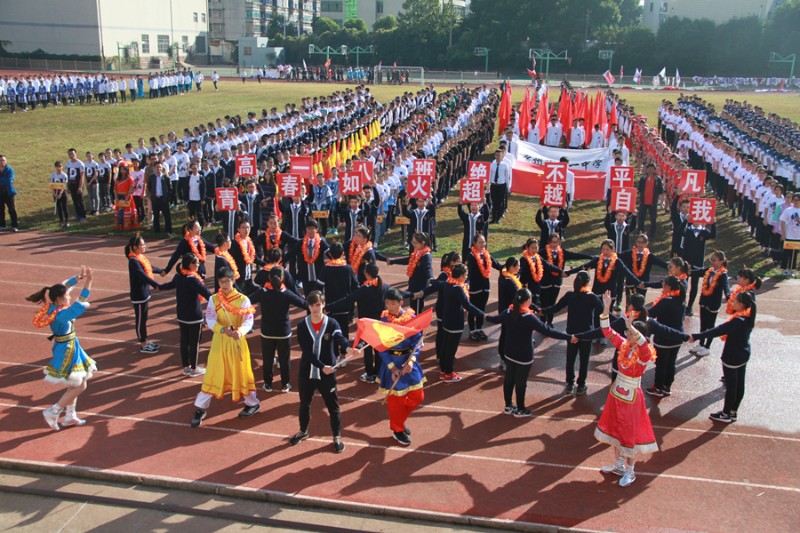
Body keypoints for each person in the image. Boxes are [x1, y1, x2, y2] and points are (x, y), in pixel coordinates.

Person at [595, 291, 659, 487]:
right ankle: (618, 465)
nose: (626, 335)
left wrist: (631, 326)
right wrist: (606, 307)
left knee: (629, 434)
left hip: (632, 398)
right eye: (627, 333)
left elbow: (643, 345)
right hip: (617, 395)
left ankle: (630, 471)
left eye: (630, 334)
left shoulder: (643, 355)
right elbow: (606, 331)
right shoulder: (623, 345)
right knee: (616, 429)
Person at [485, 288, 577, 417]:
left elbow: (495, 319)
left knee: (509, 379)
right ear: (528, 301)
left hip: (509, 352)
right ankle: (520, 409)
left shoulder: (508, 311)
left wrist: (485, 316)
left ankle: (508, 406)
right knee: (521, 382)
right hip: (524, 355)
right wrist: (568, 337)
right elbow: (548, 331)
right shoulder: (529, 318)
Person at [190, 266, 261, 427]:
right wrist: (221, 329)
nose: (224, 285)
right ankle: (201, 407)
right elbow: (210, 319)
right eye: (221, 282)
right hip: (220, 342)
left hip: (237, 342)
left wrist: (240, 331)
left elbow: (248, 320)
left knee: (241, 373)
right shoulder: (214, 299)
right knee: (213, 373)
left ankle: (252, 403)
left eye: (227, 281)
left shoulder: (243, 299)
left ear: (233, 280)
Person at [289, 291, 358, 454]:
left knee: (333, 406)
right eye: (312, 305)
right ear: (308, 306)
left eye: (318, 305)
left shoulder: (332, 323)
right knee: (304, 404)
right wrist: (322, 366)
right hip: (308, 371)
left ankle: (336, 436)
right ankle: (303, 431)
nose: (315, 308)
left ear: (323, 304)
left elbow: (339, 337)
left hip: (328, 374)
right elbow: (307, 352)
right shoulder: (302, 325)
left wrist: (347, 348)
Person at [29, 267, 95, 430]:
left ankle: (69, 416)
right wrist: (89, 281)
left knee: (78, 381)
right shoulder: (62, 315)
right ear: (59, 299)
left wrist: (77, 278)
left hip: (71, 346)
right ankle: (54, 410)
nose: (69, 296)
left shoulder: (53, 307)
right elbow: (81, 300)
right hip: (67, 350)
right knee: (80, 385)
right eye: (66, 296)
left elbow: (64, 285)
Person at [689, 291, 757, 423]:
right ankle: (733, 412)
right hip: (743, 354)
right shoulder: (748, 316)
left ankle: (726, 413)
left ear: (742, 305)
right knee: (739, 384)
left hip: (732, 356)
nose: (732, 302)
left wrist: (696, 336)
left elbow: (717, 330)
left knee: (732, 386)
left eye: (735, 301)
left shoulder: (737, 321)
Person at [539, 271, 604, 395]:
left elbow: (556, 307)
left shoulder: (570, 295)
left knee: (570, 359)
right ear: (588, 282)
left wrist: (543, 311)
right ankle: (581, 385)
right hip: (586, 334)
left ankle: (569, 383)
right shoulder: (592, 297)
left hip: (571, 334)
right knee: (584, 360)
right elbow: (603, 313)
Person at [377, 288, 426, 446]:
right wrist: (392, 368)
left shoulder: (411, 318)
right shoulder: (383, 322)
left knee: (418, 396)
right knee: (395, 402)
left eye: (393, 303)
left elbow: (417, 341)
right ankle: (397, 429)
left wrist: (411, 362)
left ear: (401, 303)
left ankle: (399, 420)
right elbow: (381, 347)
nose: (390, 307)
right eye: (387, 303)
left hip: (408, 362)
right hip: (391, 365)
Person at [249, 266, 308, 393]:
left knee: (268, 358)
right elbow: (304, 304)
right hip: (283, 332)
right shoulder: (286, 293)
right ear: (282, 278)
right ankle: (285, 384)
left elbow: (247, 300)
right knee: (284, 359)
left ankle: (268, 384)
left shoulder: (262, 292)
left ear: (269, 277)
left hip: (267, 332)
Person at [158, 253, 213, 376]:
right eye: (196, 263)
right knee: (194, 343)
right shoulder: (193, 280)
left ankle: (186, 366)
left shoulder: (179, 277)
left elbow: (169, 285)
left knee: (184, 341)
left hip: (182, 315)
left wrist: (159, 287)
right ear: (190, 265)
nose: (198, 265)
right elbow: (208, 294)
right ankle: (194, 368)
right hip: (194, 316)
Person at [435, 263, 485, 382]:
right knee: (451, 349)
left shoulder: (447, 284)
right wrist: (482, 314)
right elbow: (467, 305)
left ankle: (443, 371)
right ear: (461, 276)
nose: (467, 276)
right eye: (466, 274)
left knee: (445, 347)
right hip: (455, 323)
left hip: (447, 321)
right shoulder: (458, 289)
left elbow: (437, 284)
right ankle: (448, 373)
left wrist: (431, 281)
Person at [644, 276, 686, 398]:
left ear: (668, 287)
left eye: (664, 283)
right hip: (677, 336)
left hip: (664, 337)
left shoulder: (666, 301)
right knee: (671, 362)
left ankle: (657, 387)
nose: (662, 285)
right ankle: (667, 386)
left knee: (661, 363)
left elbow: (651, 314)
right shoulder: (681, 299)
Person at [126, 235, 166, 354]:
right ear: (134, 247)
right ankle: (143, 344)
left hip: (145, 294)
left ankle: (146, 341)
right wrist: (155, 284)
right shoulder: (133, 261)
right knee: (140, 321)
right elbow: (141, 275)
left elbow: (149, 267)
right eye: (141, 245)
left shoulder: (140, 257)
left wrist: (160, 271)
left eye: (144, 244)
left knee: (144, 319)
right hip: (138, 295)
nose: (144, 246)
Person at [689, 250, 730, 358]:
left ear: (721, 261)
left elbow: (726, 287)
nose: (712, 262)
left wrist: (729, 296)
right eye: (711, 260)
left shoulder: (723, 274)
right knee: (703, 324)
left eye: (714, 260)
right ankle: (701, 343)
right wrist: (686, 270)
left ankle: (707, 347)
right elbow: (697, 272)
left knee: (710, 326)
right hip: (704, 301)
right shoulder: (709, 270)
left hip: (713, 303)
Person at [385, 232, 433, 315]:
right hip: (413, 285)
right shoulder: (417, 252)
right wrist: (393, 261)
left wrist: (431, 280)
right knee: (412, 309)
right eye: (412, 242)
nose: (413, 244)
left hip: (419, 288)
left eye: (415, 243)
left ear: (423, 243)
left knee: (417, 311)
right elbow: (408, 260)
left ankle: (417, 327)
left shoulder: (426, 255)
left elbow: (428, 269)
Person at [466, 234, 502, 341]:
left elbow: (497, 265)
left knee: (481, 309)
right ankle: (472, 330)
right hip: (474, 288)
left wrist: (508, 268)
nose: (483, 244)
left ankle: (479, 329)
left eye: (484, 242)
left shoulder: (486, 254)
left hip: (485, 287)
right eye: (480, 242)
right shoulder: (471, 256)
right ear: (475, 243)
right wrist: (468, 283)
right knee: (473, 310)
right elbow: (470, 273)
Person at [636, 163, 664, 240]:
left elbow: (661, 190)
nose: (650, 170)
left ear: (654, 169)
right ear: (647, 169)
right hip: (643, 201)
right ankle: (640, 232)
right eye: (649, 168)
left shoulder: (658, 179)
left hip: (653, 202)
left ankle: (652, 233)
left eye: (652, 168)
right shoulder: (643, 178)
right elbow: (640, 188)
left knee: (653, 218)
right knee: (641, 217)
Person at [147, 163, 172, 235]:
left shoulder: (166, 178)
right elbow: (149, 187)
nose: (158, 169)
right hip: (155, 199)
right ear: (154, 168)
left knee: (166, 215)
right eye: (157, 167)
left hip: (163, 199)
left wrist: (167, 197)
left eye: (160, 167)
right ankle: (156, 231)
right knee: (156, 215)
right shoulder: (151, 177)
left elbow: (170, 188)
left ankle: (168, 230)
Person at [488, 149, 511, 223]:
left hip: (501, 185)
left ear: (502, 156)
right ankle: (493, 218)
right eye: (496, 155)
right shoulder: (492, 164)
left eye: (499, 155)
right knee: (494, 202)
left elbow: (507, 177)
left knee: (500, 202)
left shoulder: (505, 165)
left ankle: (498, 218)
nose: (498, 157)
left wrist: (508, 187)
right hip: (494, 185)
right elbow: (490, 175)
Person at [0, 154, 19, 231]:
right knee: (0, 210)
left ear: (6, 161)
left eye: (3, 160)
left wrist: (5, 180)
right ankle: (2, 225)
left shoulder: (10, 170)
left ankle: (14, 225)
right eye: (0, 161)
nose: (2, 162)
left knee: (11, 209)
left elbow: (9, 180)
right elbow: (7, 180)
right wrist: (4, 179)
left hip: (9, 192)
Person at [50, 161, 70, 228]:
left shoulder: (64, 175)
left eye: (60, 166)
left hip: (62, 193)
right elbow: (51, 184)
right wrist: (54, 193)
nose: (59, 168)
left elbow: (64, 185)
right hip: (55, 192)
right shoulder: (53, 175)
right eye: (58, 166)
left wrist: (60, 193)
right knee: (59, 207)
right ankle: (61, 221)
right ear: (55, 167)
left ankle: (67, 221)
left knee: (64, 207)